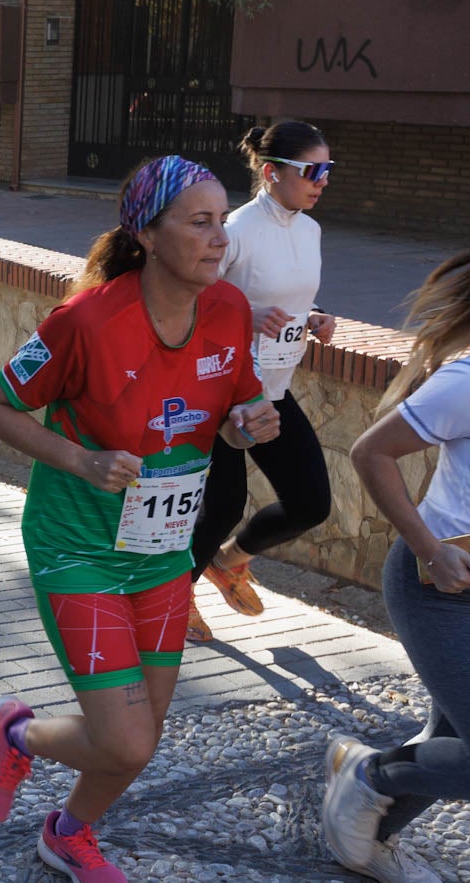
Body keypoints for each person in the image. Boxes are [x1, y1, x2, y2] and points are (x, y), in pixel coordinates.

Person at [0, 155, 278, 882]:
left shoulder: (228, 309)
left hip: (163, 548)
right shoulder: (86, 321)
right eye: (199, 222)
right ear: (147, 233)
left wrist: (247, 423)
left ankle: (68, 831)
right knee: (129, 740)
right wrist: (81, 460)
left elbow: (230, 411)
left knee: (144, 731)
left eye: (220, 221)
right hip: (77, 544)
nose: (218, 238)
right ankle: (16, 731)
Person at [329, 249, 470, 883]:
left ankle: (366, 832)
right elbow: (371, 452)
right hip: (439, 585)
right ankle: (365, 776)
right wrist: (429, 548)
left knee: (450, 737)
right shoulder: (467, 381)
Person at [187, 121, 337, 641]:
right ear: (271, 173)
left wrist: (315, 314)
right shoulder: (237, 230)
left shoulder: (310, 230)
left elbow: (288, 291)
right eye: (312, 170)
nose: (321, 181)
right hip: (220, 392)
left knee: (310, 503)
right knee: (224, 503)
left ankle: (228, 563)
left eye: (327, 171)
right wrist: (245, 316)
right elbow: (190, 299)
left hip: (272, 389)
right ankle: (169, 599)